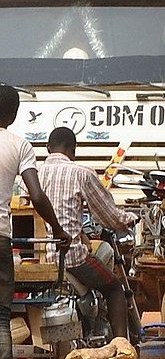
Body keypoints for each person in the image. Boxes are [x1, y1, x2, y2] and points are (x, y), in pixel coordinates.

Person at [0, 84, 70, 359]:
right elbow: (38, 197)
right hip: (0, 238)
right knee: (1, 315)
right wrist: (58, 230)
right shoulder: (18, 145)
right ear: (14, 114)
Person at [38, 127, 136, 341]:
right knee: (114, 289)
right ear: (73, 151)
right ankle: (122, 345)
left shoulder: (34, 174)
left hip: (41, 257)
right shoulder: (81, 173)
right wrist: (129, 219)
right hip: (70, 257)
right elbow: (108, 215)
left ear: (48, 148)